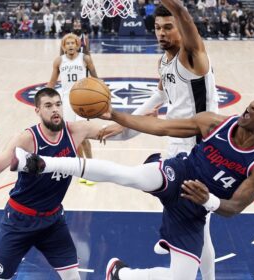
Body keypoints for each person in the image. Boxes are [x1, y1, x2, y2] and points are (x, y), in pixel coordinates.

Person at [11, 77, 254, 280]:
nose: (252, 106)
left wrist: (209, 200)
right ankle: (41, 163)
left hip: (196, 208)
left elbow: (234, 208)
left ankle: (121, 274)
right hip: (178, 173)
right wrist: (116, 114)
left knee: (181, 277)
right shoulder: (215, 123)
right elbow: (161, 127)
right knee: (126, 175)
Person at [99, 1, 218, 279]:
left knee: (200, 225)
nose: (161, 33)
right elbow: (161, 95)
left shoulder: (193, 56)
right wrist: (125, 121)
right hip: (176, 146)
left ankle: (150, 253)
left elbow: (186, 17)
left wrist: (175, 8)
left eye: (168, 27)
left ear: (181, 28)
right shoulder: (164, 61)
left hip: (200, 151)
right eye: (157, 28)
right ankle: (170, 237)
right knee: (200, 225)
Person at [0, 88, 107, 280]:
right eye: (48, 105)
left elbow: (113, 132)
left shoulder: (75, 132)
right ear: (37, 110)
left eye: (58, 104)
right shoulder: (27, 139)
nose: (55, 109)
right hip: (19, 220)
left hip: (52, 221)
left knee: (73, 276)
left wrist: (137, 116)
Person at [48, 32, 98, 185]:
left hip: (82, 99)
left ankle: (91, 169)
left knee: (83, 137)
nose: (70, 45)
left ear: (78, 45)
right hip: (66, 101)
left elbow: (96, 79)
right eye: (67, 43)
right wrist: (43, 99)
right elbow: (51, 83)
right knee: (73, 138)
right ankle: (81, 169)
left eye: (73, 43)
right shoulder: (58, 61)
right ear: (63, 46)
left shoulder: (85, 58)